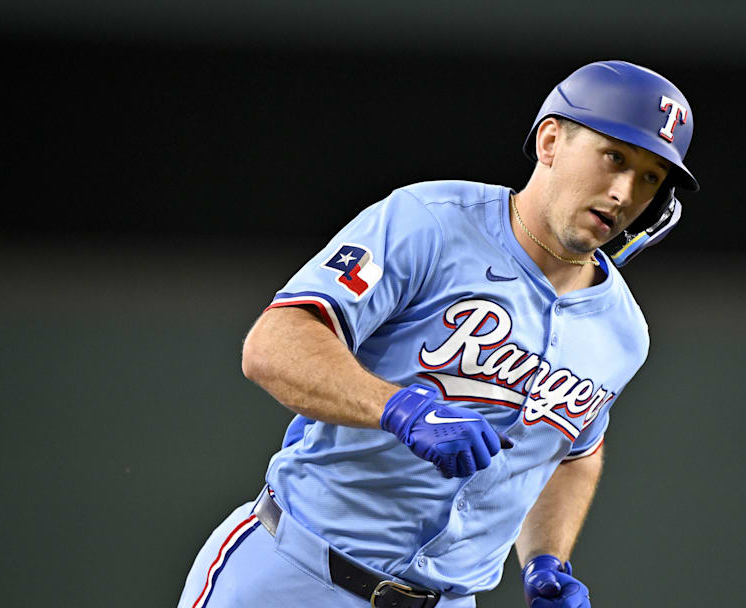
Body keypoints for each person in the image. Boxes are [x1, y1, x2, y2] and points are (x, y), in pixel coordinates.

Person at [177, 59, 699, 608]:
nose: (624, 191)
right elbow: (274, 343)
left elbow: (573, 452)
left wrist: (548, 558)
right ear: (550, 141)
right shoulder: (431, 221)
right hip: (294, 574)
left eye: (650, 177)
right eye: (613, 156)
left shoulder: (623, 331)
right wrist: (397, 408)